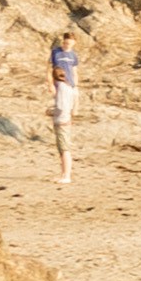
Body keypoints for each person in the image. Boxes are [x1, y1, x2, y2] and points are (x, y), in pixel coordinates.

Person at [47, 23, 82, 189]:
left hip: (62, 121)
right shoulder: (55, 53)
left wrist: (51, 112)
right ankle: (64, 174)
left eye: (70, 43)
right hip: (66, 109)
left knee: (64, 148)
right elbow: (48, 69)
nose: (67, 45)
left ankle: (67, 175)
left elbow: (61, 108)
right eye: (66, 42)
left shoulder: (66, 87)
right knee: (63, 148)